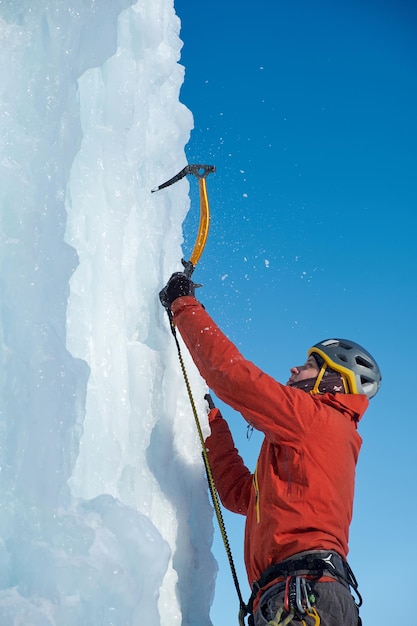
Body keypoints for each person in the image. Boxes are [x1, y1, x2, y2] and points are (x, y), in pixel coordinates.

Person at [159, 272, 381, 626]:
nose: (294, 368)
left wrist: (183, 305)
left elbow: (235, 378)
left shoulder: (317, 418)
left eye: (309, 365)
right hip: (298, 593)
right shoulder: (314, 437)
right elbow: (242, 496)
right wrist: (212, 425)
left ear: (335, 381)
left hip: (302, 593)